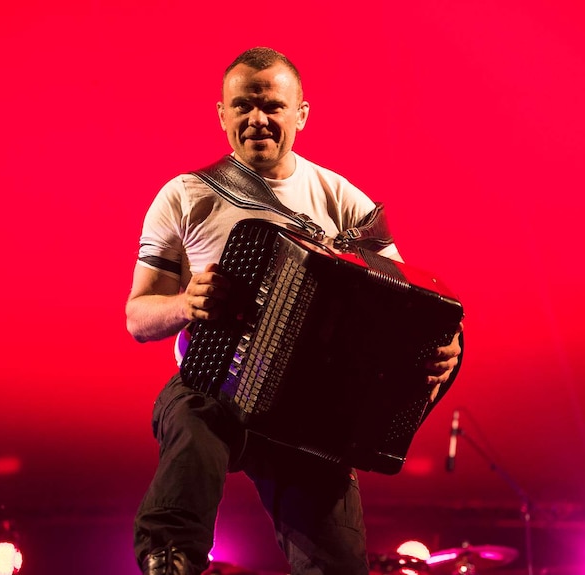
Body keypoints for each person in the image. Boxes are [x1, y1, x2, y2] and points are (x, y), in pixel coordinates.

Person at [125, 46, 463, 575]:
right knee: (190, 414)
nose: (257, 118)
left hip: (310, 410)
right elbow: (137, 316)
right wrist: (184, 303)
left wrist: (445, 347)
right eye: (242, 106)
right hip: (216, 380)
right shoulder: (185, 195)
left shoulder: (347, 201)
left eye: (272, 105)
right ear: (221, 114)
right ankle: (170, 558)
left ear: (301, 114)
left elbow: (409, 303)